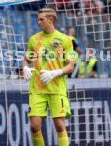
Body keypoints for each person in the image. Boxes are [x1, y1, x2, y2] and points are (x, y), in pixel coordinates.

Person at [23, 8, 75, 146]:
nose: (38, 22)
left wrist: (55, 73)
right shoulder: (33, 39)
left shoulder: (65, 40)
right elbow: (26, 59)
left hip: (57, 89)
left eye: (41, 19)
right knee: (34, 126)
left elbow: (71, 66)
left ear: (51, 20)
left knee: (59, 126)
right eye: (38, 19)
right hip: (37, 89)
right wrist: (25, 68)